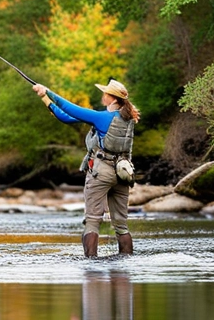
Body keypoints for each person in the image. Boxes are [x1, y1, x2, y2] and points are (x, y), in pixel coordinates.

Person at [32, 79, 140, 257]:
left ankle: (91, 265)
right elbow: (65, 117)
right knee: (121, 224)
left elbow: (70, 109)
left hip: (101, 172)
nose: (103, 96)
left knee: (92, 221)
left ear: (113, 99)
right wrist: (45, 98)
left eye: (105, 93)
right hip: (123, 173)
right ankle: (126, 264)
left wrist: (48, 90)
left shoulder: (102, 118)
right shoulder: (127, 119)